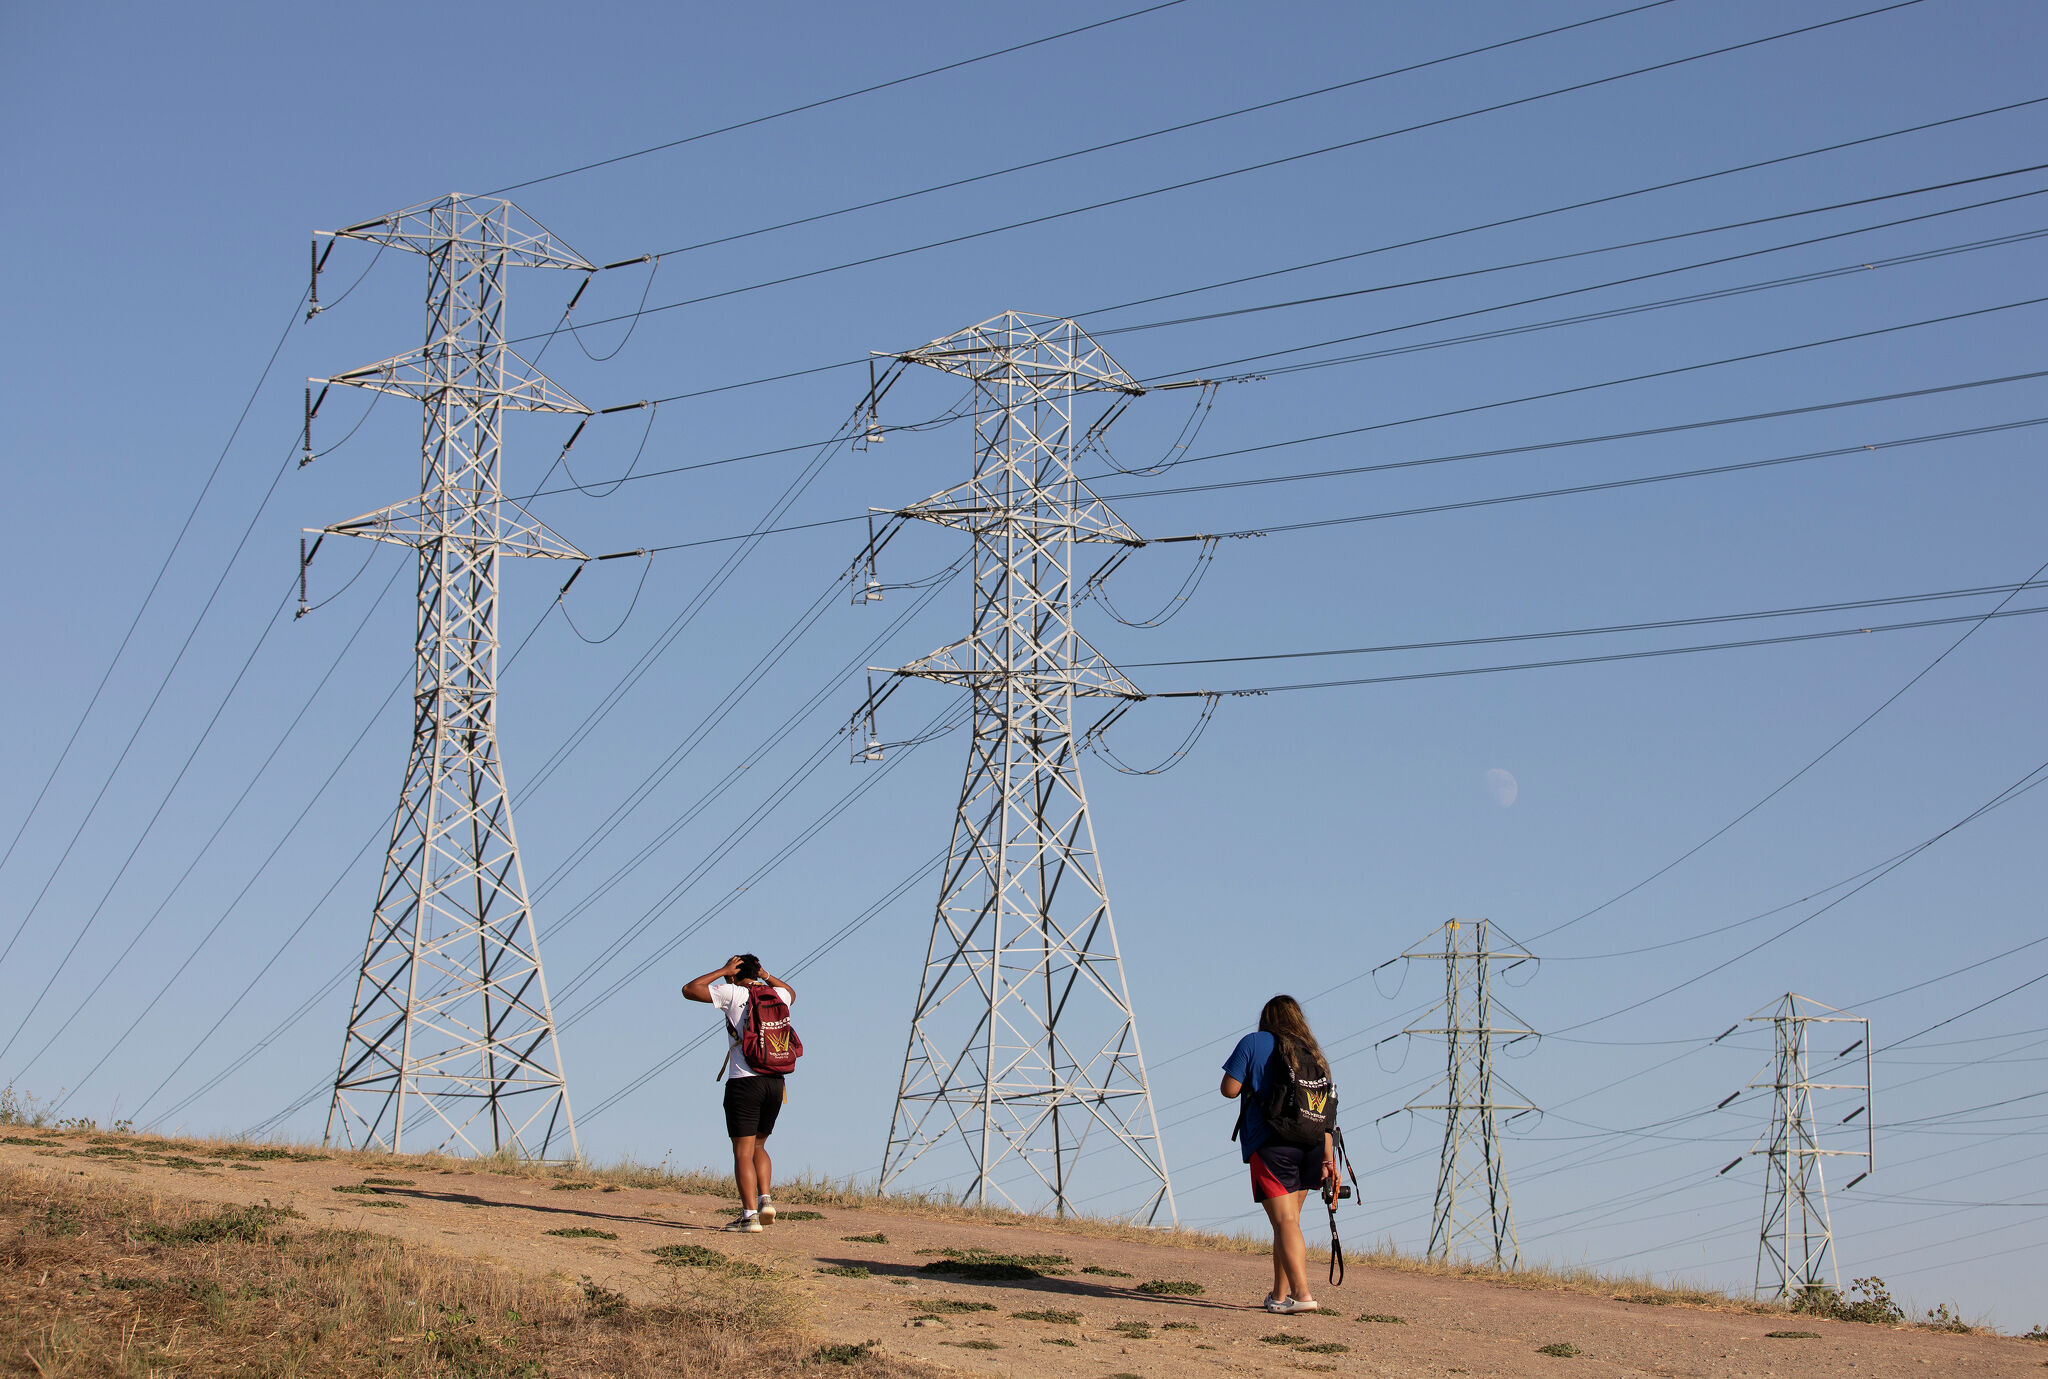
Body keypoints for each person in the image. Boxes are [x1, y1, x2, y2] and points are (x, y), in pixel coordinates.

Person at [1222, 994, 1337, 1313]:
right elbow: (1327, 1111)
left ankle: (1302, 1296)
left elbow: (1229, 1089)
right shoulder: (1312, 1052)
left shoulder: (1254, 1043)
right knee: (1288, 1222)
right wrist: (1329, 1159)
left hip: (1272, 1143)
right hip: (1312, 1146)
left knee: (1285, 1220)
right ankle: (1278, 1296)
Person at [683, 953, 795, 1232]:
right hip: (775, 1081)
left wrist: (721, 970)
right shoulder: (777, 994)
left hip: (744, 1082)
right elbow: (793, 992)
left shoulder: (732, 993)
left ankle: (749, 1216)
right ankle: (765, 1199)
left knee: (742, 1152)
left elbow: (689, 990)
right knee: (759, 1146)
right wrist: (765, 975)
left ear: (734, 973)